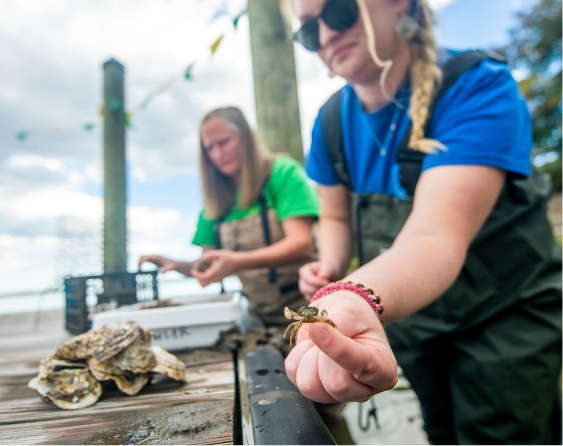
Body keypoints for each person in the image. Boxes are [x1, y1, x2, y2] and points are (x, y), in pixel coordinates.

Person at [283, 0, 562, 444]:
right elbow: (334, 214)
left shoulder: (476, 87)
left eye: (337, 12)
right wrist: (331, 264)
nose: (327, 36)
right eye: (309, 31)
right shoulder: (331, 122)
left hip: (505, 318)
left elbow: (435, 235)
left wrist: (351, 294)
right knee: (441, 433)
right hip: (414, 321)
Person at [139, 106, 320, 336]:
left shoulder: (282, 174)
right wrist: (177, 265)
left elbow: (302, 244)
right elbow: (209, 265)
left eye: (223, 143)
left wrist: (237, 262)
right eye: (209, 148)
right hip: (260, 317)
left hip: (308, 307)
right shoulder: (215, 204)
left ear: (245, 138)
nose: (217, 154)